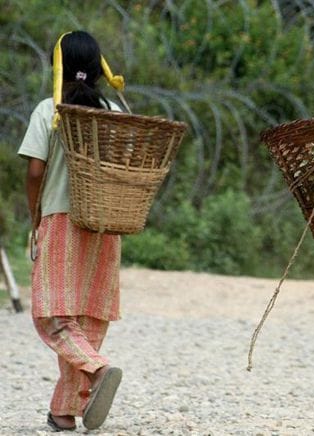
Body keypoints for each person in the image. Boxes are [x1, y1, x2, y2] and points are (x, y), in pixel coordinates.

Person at [18, 30, 125, 432]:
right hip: (104, 226)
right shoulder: (114, 111)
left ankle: (97, 370)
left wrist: (35, 212)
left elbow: (34, 171)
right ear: (100, 69)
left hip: (61, 220)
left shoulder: (50, 109)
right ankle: (63, 411)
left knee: (52, 316)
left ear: (56, 65)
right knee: (88, 319)